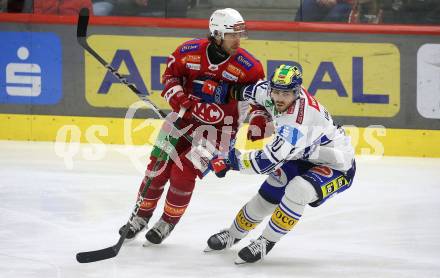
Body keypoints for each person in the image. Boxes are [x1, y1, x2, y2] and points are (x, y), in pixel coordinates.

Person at [119, 8, 270, 246]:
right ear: (217, 33)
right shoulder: (188, 52)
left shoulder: (249, 66)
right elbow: (170, 77)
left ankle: (167, 221)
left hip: (219, 133)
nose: (238, 40)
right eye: (232, 35)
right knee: (157, 167)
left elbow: (263, 98)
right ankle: (140, 217)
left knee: (183, 173)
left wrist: (261, 117)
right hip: (181, 119)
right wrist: (179, 99)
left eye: (240, 34)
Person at [203, 65, 356, 264]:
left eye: (286, 93)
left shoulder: (298, 120)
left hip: (338, 165)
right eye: (276, 91)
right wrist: (220, 91)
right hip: (304, 155)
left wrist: (230, 161)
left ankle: (266, 242)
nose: (279, 98)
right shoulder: (268, 91)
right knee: (268, 194)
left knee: (298, 190)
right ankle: (233, 233)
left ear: (297, 91)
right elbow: (245, 91)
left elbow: (266, 162)